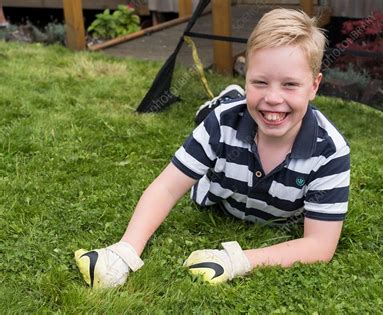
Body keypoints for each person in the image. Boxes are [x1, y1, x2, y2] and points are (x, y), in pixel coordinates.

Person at [75, 8, 350, 288]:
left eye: (290, 85)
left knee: (241, 111)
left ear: (314, 86)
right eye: (260, 82)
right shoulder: (221, 124)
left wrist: (237, 260)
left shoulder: (331, 152)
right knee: (218, 115)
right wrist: (126, 250)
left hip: (275, 213)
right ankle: (226, 100)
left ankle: (232, 98)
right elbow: (167, 188)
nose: (273, 97)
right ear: (246, 76)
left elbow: (319, 244)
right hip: (218, 194)